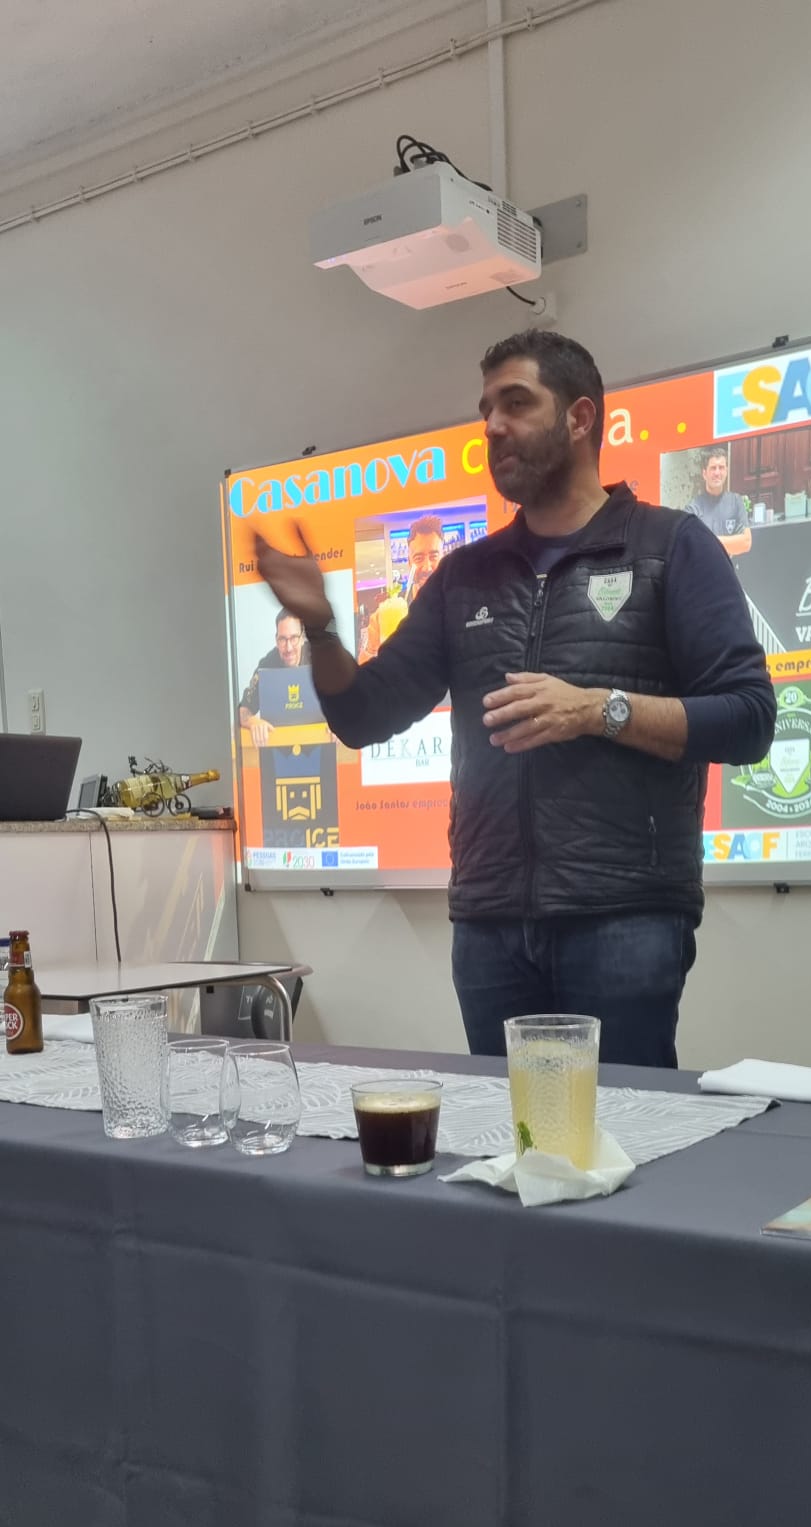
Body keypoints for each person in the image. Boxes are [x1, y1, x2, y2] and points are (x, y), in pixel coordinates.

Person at [254, 329, 776, 1067]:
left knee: (623, 1127)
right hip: (491, 925)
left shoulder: (671, 548)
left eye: (516, 403)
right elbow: (364, 716)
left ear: (580, 417)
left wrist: (597, 708)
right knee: (511, 1130)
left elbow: (749, 719)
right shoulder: (465, 575)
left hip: (623, 917)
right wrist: (320, 627)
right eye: (486, 410)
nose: (493, 425)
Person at [359, 515, 445, 659]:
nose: (427, 566)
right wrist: (372, 648)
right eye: (419, 558)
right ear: (409, 563)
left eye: (433, 556)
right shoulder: (392, 610)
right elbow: (364, 666)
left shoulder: (459, 604)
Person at [238, 607, 319, 747]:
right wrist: (253, 722)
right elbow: (243, 709)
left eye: (294, 638)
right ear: (276, 640)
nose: (288, 648)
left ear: (302, 638)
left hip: (318, 744)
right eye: (282, 639)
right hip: (279, 749)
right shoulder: (266, 666)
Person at [685, 448, 752, 556]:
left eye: (721, 468)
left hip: (730, 566)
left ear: (726, 471)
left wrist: (708, 540)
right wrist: (732, 543)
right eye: (713, 468)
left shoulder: (736, 501)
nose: (717, 473)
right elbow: (692, 546)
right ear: (704, 474)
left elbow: (746, 543)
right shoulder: (693, 509)